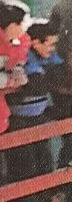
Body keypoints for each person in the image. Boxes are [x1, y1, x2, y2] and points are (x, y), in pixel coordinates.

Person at [6, 18, 61, 183]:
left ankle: (46, 200)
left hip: (38, 117)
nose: (54, 49)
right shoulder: (24, 57)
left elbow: (60, 74)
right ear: (36, 43)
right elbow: (36, 83)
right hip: (20, 120)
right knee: (25, 167)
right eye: (50, 44)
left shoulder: (48, 57)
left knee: (45, 162)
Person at [0, 0, 30, 135]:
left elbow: (21, 53)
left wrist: (18, 68)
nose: (22, 28)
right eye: (19, 24)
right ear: (10, 24)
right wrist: (6, 80)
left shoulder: (16, 39)